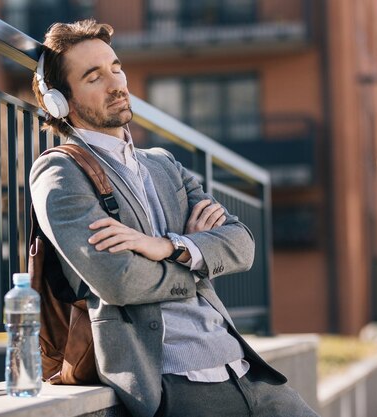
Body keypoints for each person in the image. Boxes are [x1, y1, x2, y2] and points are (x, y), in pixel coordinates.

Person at [29, 19, 319, 417]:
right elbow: (118, 281)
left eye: (116, 67)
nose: (116, 83)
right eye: (93, 77)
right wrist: (196, 263)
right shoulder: (61, 173)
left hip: (246, 371)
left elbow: (242, 244)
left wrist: (168, 246)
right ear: (60, 102)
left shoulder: (164, 165)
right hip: (173, 383)